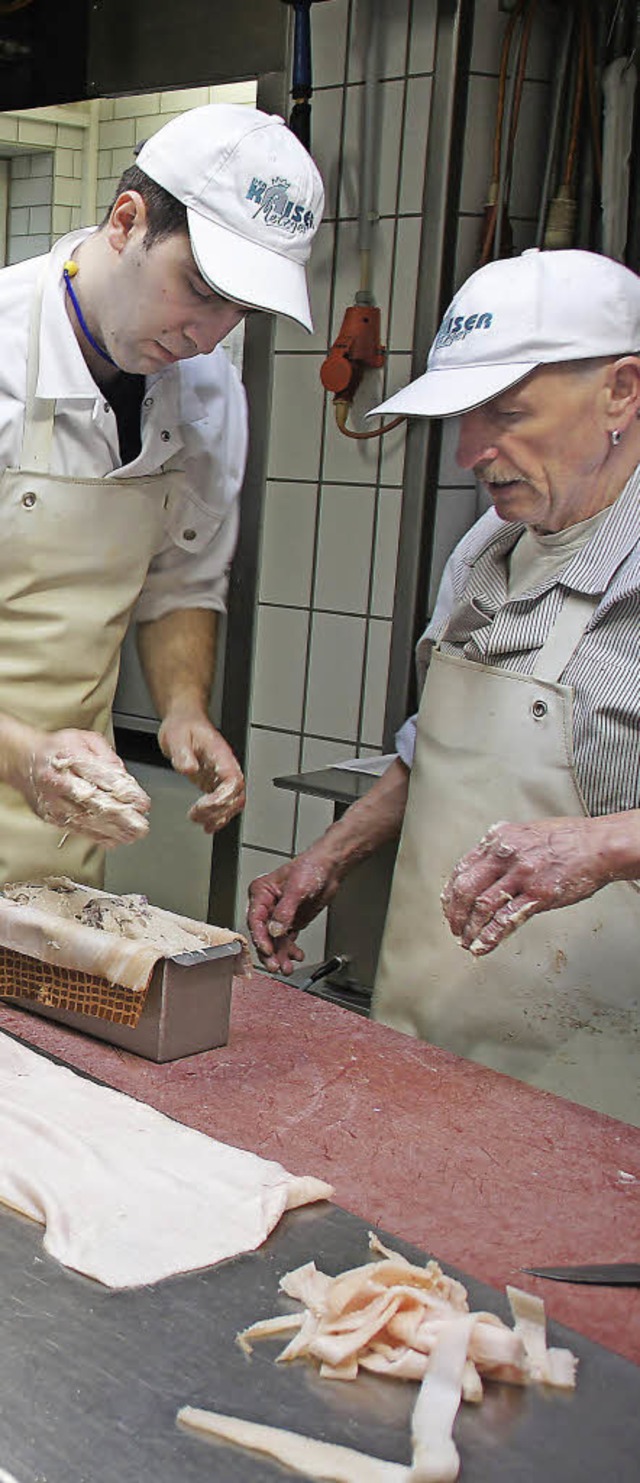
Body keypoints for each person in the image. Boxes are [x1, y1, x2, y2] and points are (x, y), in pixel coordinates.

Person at [248, 247, 640, 1123]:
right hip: (428, 1042)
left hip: (602, 1093)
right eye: (466, 414)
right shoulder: (486, 549)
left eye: (506, 410)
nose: (469, 450)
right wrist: (331, 856)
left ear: (621, 389)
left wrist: (602, 846)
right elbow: (437, 748)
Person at [0, 103, 323, 888]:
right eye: (200, 290)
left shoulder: (207, 392)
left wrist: (184, 705)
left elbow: (181, 576)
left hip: (60, 822)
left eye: (238, 312)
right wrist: (23, 753)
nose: (209, 335)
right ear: (126, 221)